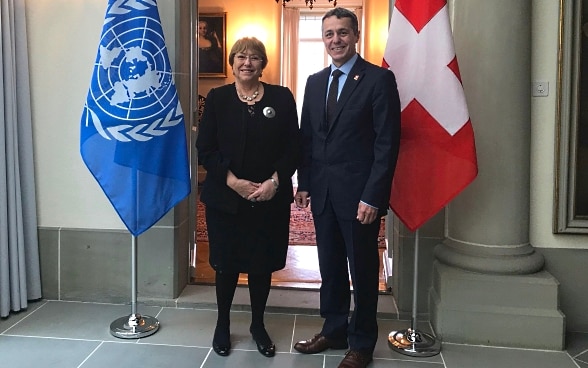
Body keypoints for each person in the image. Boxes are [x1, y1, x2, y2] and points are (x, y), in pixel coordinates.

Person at [293, 7, 401, 368]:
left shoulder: (378, 80)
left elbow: (387, 144)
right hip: (322, 194)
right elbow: (308, 138)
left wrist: (373, 195)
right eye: (329, 34)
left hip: (360, 199)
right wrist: (304, 183)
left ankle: (362, 343)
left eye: (342, 32)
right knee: (332, 268)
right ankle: (334, 329)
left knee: (364, 273)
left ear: (356, 35)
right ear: (323, 39)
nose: (335, 40)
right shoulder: (314, 81)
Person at [196, 37, 300, 358]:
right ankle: (223, 324)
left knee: (261, 265)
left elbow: (294, 147)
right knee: (225, 265)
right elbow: (206, 149)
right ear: (231, 61)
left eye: (254, 57)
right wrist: (233, 181)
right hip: (226, 200)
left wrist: (274, 181)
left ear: (263, 64)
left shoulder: (282, 98)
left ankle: (258, 324)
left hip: (269, 199)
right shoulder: (217, 98)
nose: (247, 63)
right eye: (240, 56)